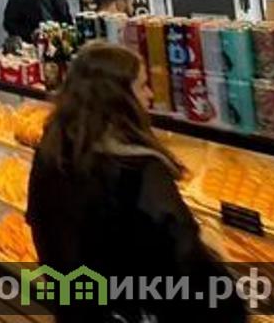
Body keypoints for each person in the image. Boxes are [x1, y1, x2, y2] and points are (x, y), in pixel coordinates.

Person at [26, 42, 246, 323]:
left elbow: (40, 226)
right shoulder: (139, 170)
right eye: (142, 86)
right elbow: (184, 261)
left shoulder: (51, 152)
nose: (150, 95)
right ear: (118, 98)